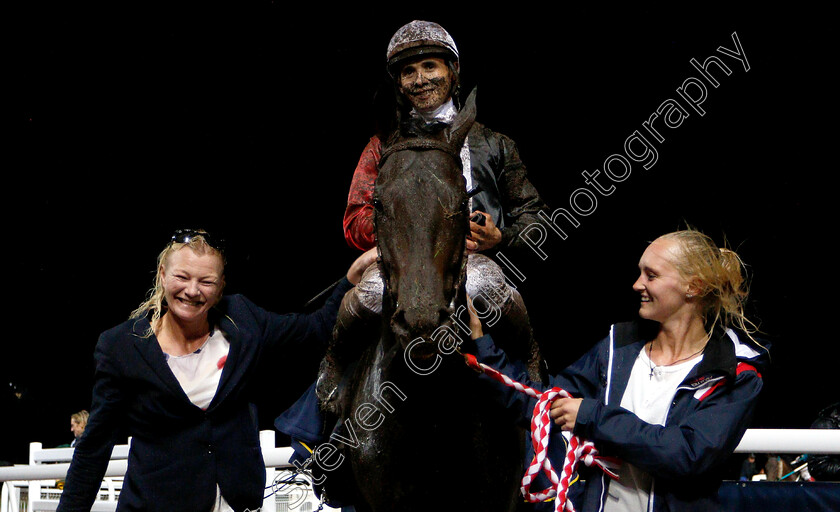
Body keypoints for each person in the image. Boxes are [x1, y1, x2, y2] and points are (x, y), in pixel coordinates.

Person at [57, 229, 377, 512]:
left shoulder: (243, 320)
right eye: (182, 277)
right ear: (162, 274)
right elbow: (93, 448)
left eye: (206, 281)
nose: (193, 290)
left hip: (238, 502)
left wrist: (351, 278)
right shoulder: (120, 346)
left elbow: (316, 329)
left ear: (220, 286)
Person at [469, 229, 770, 511]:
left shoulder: (735, 372)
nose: (637, 284)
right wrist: (483, 352)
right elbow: (544, 406)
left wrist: (593, 417)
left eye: (651, 275)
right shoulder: (619, 348)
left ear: (693, 287)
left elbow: (688, 455)